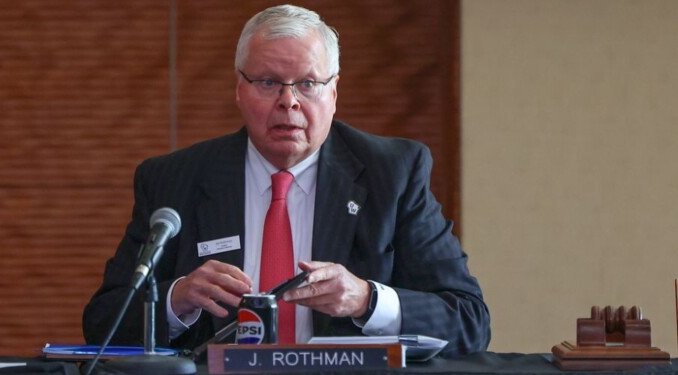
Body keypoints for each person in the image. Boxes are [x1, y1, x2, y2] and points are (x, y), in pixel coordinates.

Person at [83, 4, 490, 358]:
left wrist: (367, 300)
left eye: (308, 84)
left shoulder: (394, 173)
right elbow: (103, 324)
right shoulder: (174, 179)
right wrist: (176, 300)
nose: (289, 101)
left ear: (333, 94)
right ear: (240, 90)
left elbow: (469, 322)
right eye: (268, 82)